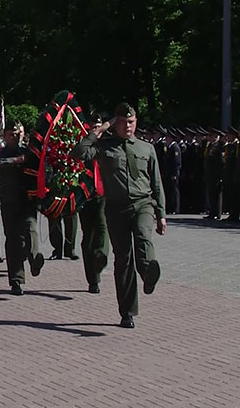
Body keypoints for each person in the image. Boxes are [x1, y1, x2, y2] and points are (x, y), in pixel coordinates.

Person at [71, 103, 165, 329]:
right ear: (116, 124)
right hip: (115, 208)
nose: (127, 126)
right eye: (122, 122)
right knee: (123, 259)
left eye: (131, 122)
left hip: (142, 204)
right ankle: (127, 311)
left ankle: (148, 272)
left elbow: (157, 183)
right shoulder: (104, 147)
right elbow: (78, 152)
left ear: (136, 123)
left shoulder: (146, 148)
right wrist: (101, 129)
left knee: (143, 237)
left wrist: (161, 213)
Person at [0, 121, 45, 295]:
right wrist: (15, 161)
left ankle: (35, 259)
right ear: (5, 136)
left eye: (19, 132)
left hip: (27, 199)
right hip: (9, 200)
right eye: (12, 133)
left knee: (31, 230)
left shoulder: (28, 152)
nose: (17, 136)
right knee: (13, 240)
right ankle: (16, 280)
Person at [76, 113, 110, 294]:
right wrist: (92, 135)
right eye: (93, 127)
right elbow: (79, 152)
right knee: (88, 237)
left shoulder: (108, 144)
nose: (97, 130)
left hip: (103, 195)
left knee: (103, 229)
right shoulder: (85, 144)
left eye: (99, 126)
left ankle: (101, 257)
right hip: (86, 196)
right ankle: (93, 278)